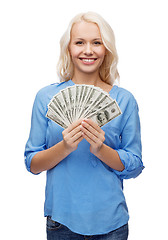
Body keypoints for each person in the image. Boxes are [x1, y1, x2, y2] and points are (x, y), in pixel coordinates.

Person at [24, 12, 144, 240]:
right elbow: (32, 163)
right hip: (61, 223)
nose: (88, 50)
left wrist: (101, 149)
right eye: (80, 42)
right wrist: (65, 147)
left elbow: (135, 165)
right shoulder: (46, 97)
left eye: (96, 43)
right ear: (69, 49)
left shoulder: (125, 100)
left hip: (112, 223)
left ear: (106, 49)